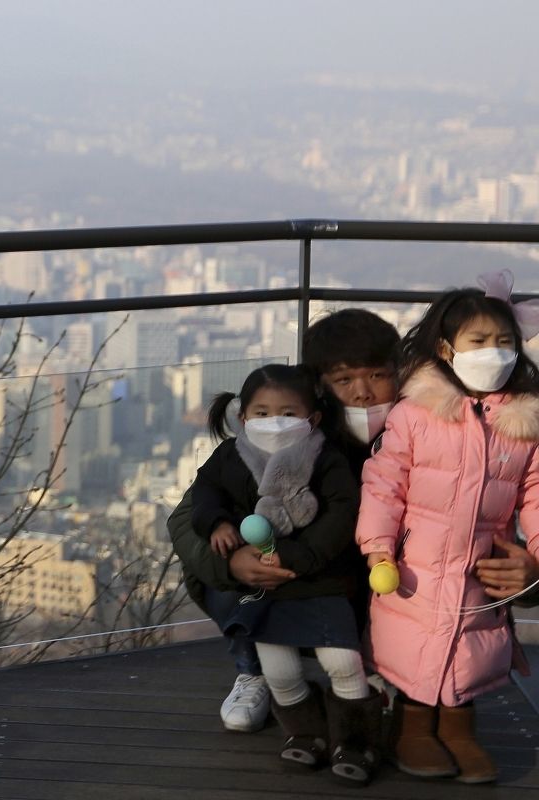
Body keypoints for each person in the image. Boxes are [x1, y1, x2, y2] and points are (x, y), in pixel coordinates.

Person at [169, 308, 402, 737]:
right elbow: (186, 517)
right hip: (282, 571)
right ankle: (253, 668)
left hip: (349, 575)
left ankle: (380, 668)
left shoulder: (421, 435)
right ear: (318, 389)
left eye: (377, 375)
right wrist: (230, 561)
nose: (364, 393)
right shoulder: (288, 435)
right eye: (344, 379)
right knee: (215, 553)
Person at [356, 272, 539, 784]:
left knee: (471, 644)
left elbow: (537, 495)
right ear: (445, 347)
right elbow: (383, 485)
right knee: (412, 643)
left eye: (505, 342)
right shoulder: (416, 414)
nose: (494, 352)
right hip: (415, 566)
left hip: (482, 562)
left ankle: (459, 727)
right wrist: (377, 548)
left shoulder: (524, 424)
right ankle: (413, 725)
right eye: (478, 341)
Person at [192, 363, 381, 784]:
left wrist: (299, 556)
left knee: (343, 661)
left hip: (319, 579)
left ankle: (356, 741)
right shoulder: (231, 455)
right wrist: (217, 524)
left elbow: (341, 513)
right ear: (242, 417)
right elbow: (205, 492)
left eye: (288, 412)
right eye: (261, 412)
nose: (273, 421)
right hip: (263, 586)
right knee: (278, 667)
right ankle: (305, 733)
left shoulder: (325, 456)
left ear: (312, 418)